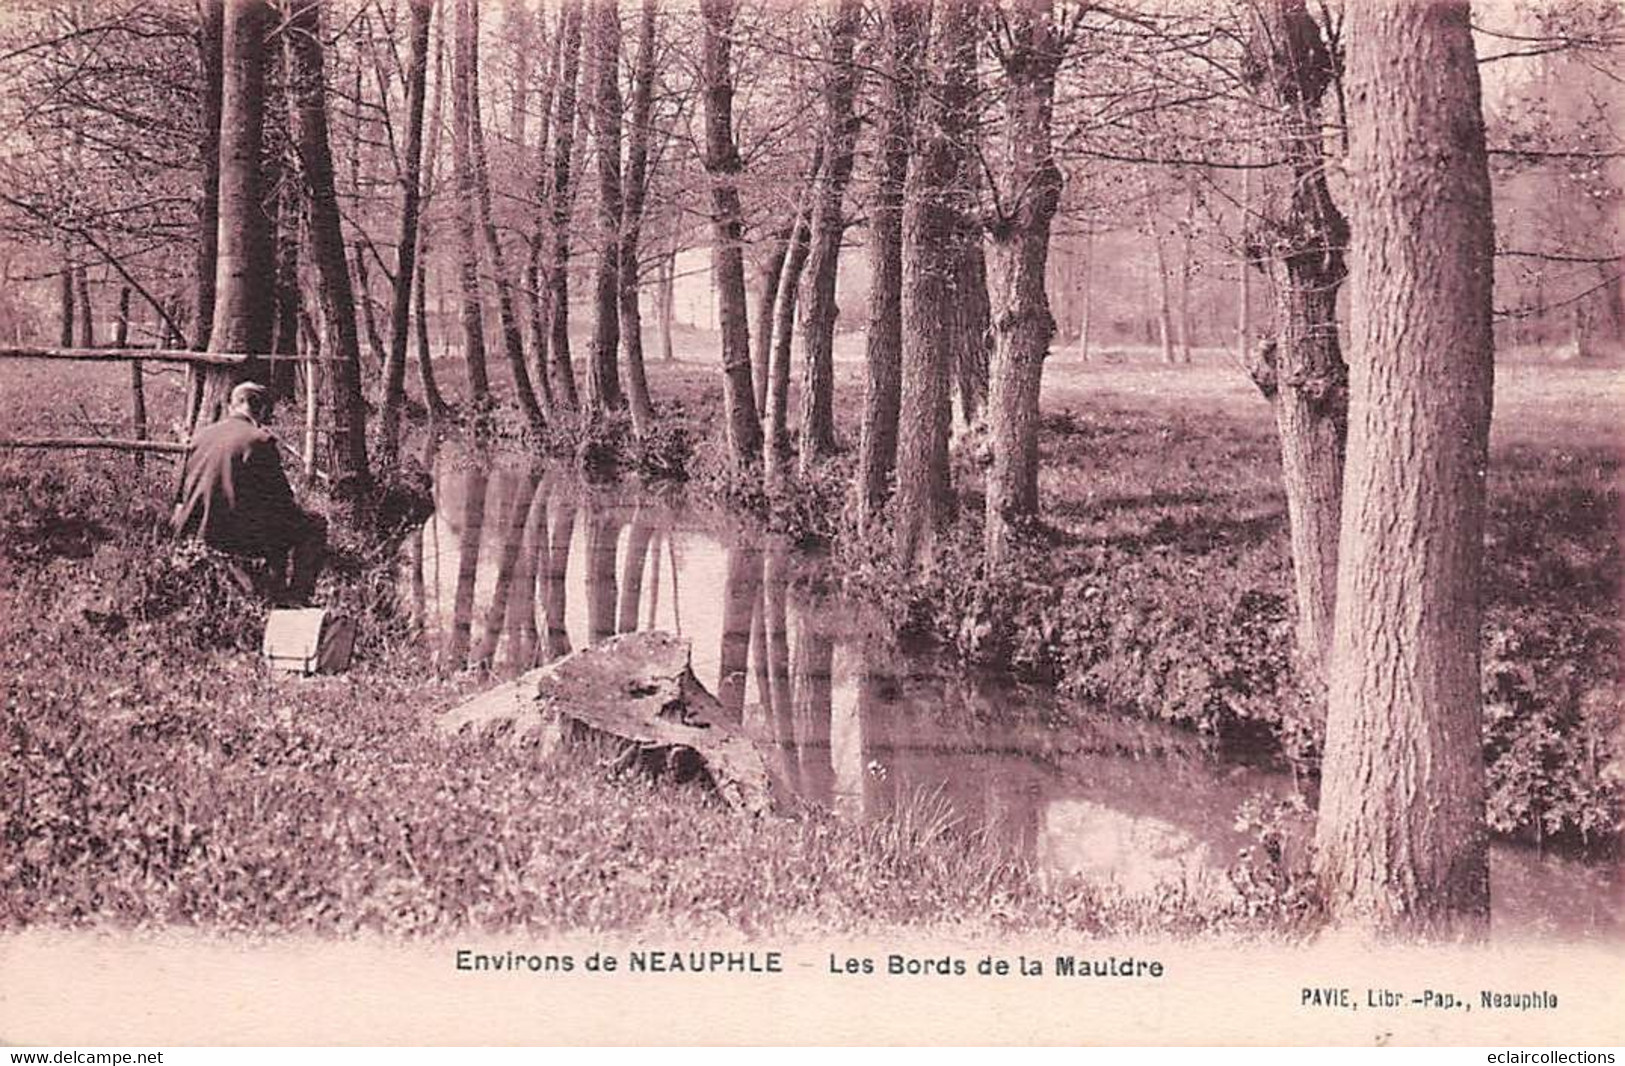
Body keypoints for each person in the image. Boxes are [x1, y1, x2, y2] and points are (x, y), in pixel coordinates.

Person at [171, 381, 326, 604]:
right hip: (229, 538)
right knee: (313, 525)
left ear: (232, 406)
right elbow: (281, 502)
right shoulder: (259, 440)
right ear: (262, 410)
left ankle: (270, 589)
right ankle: (294, 600)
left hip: (191, 535)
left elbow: (179, 497)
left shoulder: (199, 437)